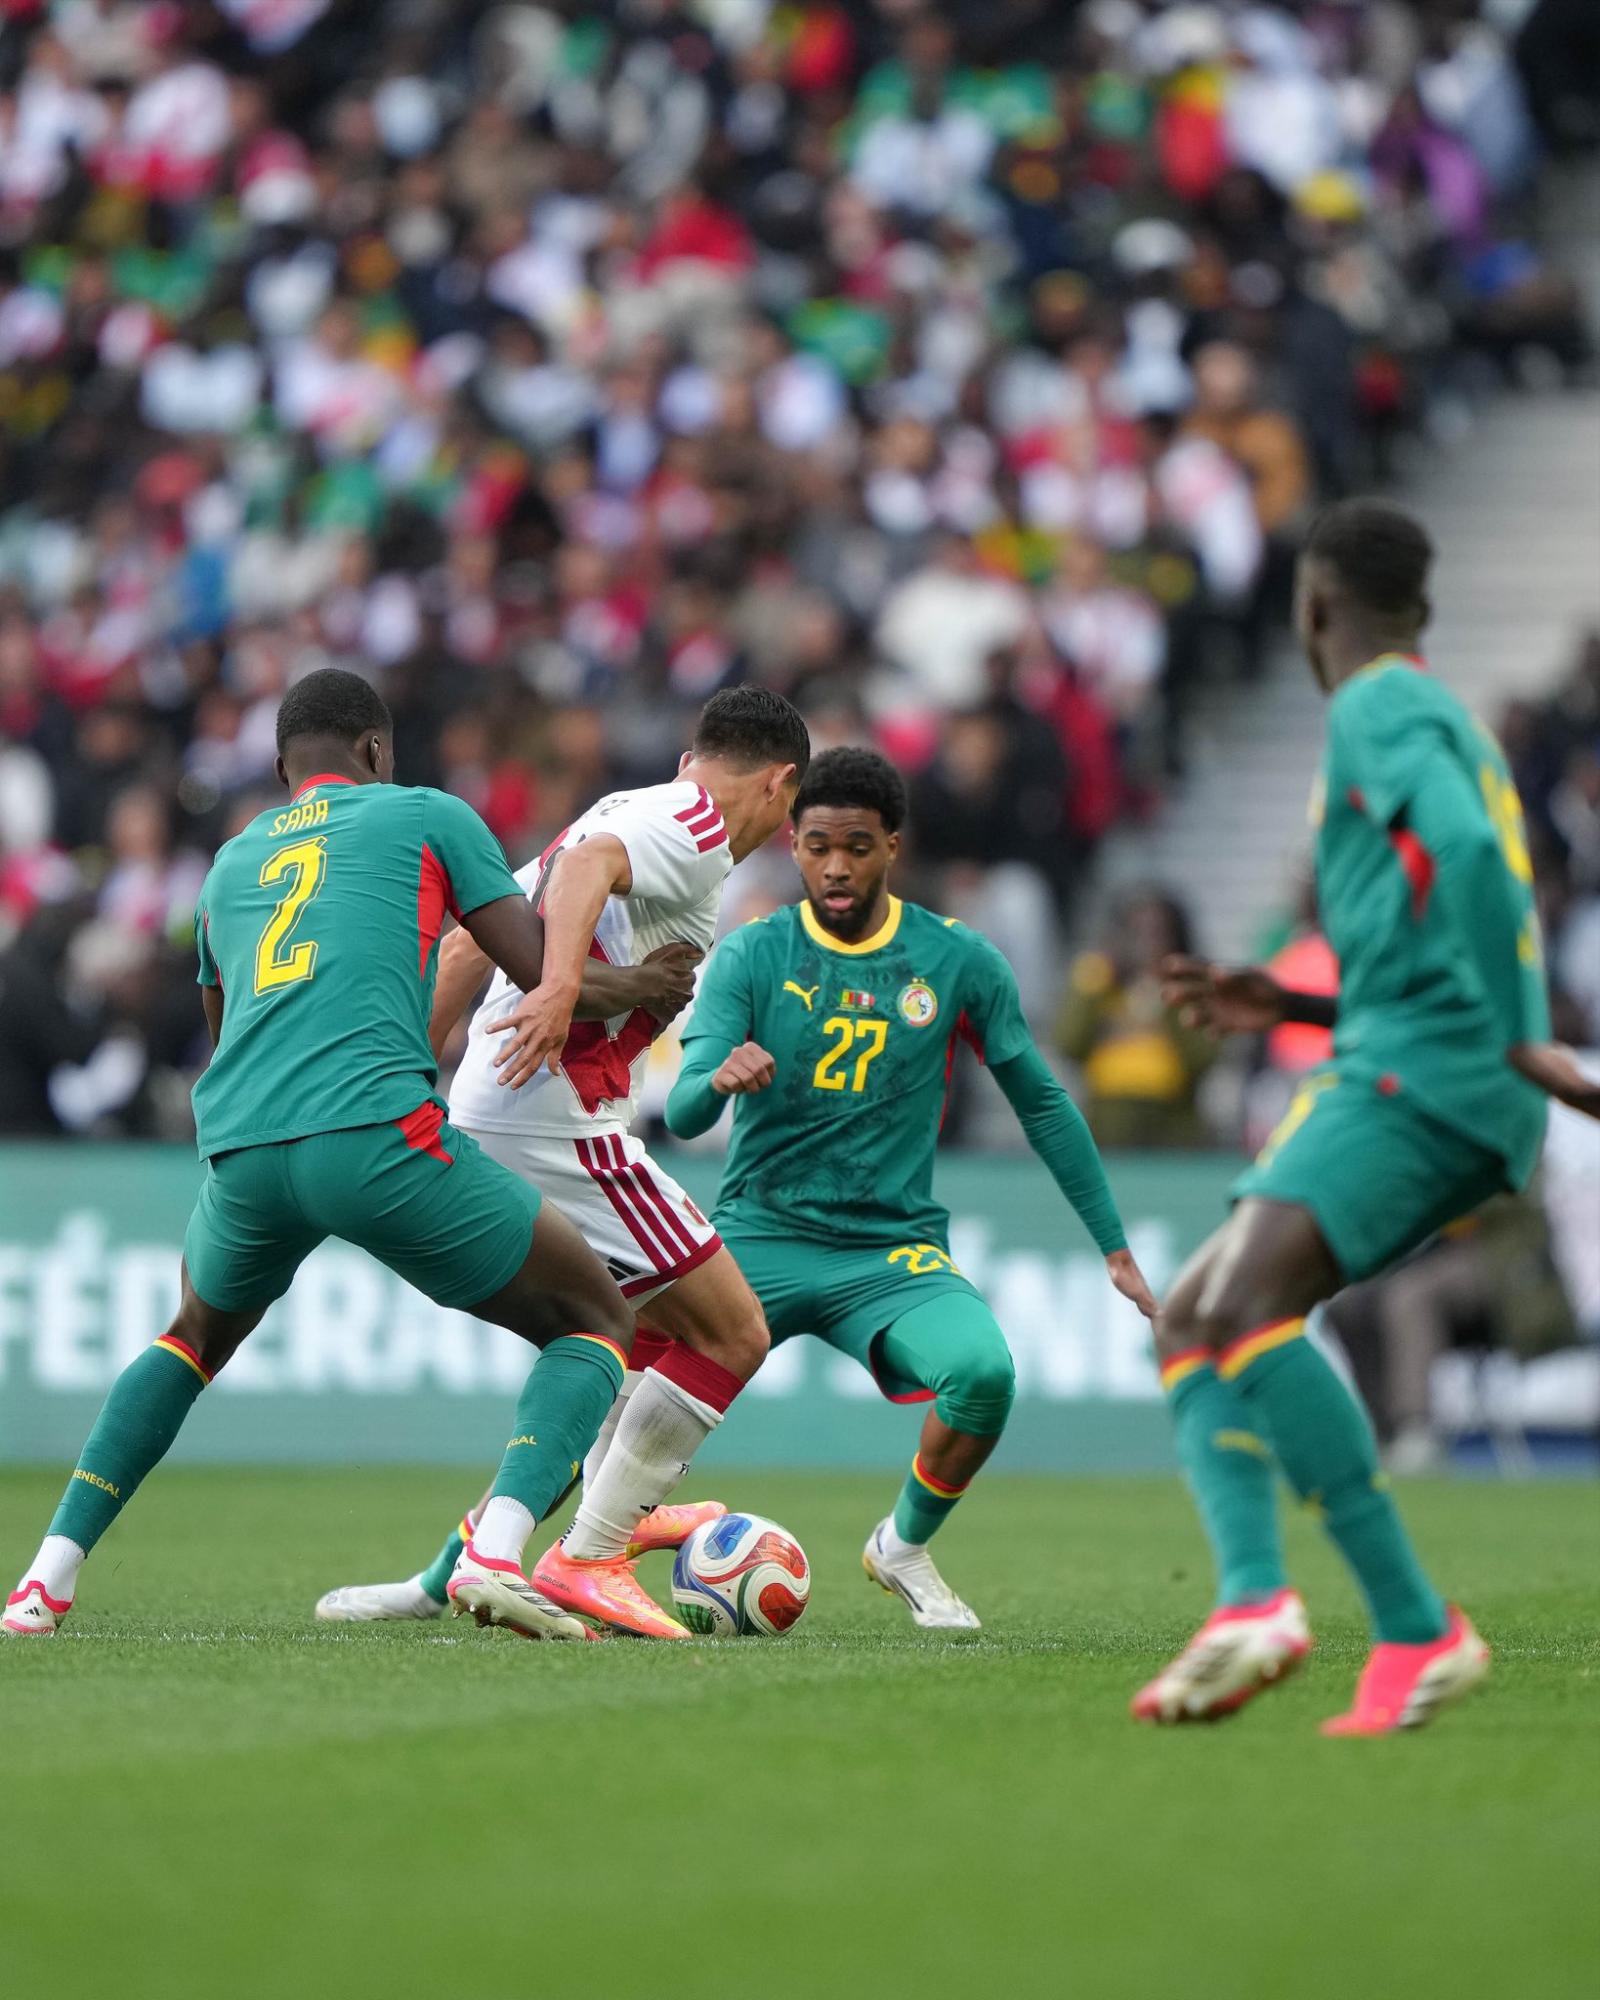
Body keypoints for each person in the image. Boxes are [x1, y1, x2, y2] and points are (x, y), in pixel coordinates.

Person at [5, 669, 698, 1640]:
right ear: (375, 751)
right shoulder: (422, 814)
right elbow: (540, 969)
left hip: (242, 1150)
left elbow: (223, 1019)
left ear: (285, 765)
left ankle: (43, 1580)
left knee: (189, 1338)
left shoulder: (230, 861)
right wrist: (643, 982)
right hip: (374, 1134)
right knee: (593, 1318)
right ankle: (497, 1551)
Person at [1133, 497, 1561, 1735]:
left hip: (1425, 1072)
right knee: (1187, 1318)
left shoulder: (1374, 703)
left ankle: (1395, 1621)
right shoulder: (1433, 711)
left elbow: (1471, 860)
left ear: (1312, 604)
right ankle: (1259, 1597)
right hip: (1407, 1055)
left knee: (1233, 1308)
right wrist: (1294, 992)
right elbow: (1432, 903)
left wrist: (1518, 1034)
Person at [315, 685, 810, 1640]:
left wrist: (412, 1070)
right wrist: (558, 990)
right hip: (561, 1121)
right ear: (782, 784)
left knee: (620, 1348)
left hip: (503, 1108)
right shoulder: (692, 824)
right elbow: (586, 869)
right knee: (734, 1334)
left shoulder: (629, 805)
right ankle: (592, 1552)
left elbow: (467, 940)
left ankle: (456, 1571)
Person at [664, 747, 1155, 1627]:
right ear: (793, 845)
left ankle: (903, 1545)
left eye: (857, 846)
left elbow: (1042, 1105)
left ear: (894, 844)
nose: (837, 867)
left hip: (888, 1252)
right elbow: (688, 1108)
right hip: (756, 1236)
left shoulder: (957, 960)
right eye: (817, 847)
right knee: (607, 1368)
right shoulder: (751, 953)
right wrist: (719, 1077)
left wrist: (1113, 1246)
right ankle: (477, 1565)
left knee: (982, 1374)